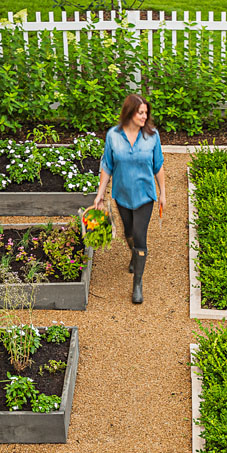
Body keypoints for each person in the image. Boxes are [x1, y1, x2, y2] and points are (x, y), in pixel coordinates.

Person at [93, 94, 166, 304]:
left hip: (145, 195)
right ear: (129, 112)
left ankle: (137, 283)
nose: (144, 117)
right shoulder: (113, 136)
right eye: (140, 112)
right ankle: (134, 254)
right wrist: (100, 195)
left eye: (146, 113)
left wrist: (163, 193)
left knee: (140, 235)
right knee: (128, 233)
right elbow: (107, 166)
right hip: (122, 195)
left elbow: (158, 165)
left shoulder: (152, 136)